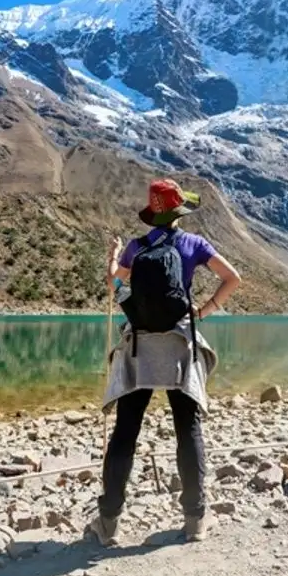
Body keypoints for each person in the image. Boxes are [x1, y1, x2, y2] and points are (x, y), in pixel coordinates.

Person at [88, 179, 242, 546]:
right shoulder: (193, 244)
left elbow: (115, 285)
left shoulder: (136, 248)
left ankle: (108, 522)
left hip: (140, 345)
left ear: (152, 214)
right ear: (179, 213)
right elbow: (233, 278)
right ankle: (195, 520)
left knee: (126, 431)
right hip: (179, 346)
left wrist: (112, 255)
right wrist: (202, 312)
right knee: (187, 429)